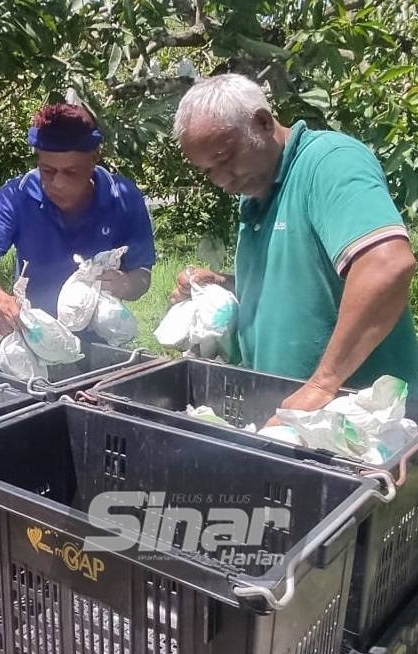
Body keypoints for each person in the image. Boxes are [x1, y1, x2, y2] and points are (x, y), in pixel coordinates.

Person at [171, 73, 418, 415]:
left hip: (363, 427)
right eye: (209, 171)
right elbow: (295, 286)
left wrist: (323, 383)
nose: (223, 180)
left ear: (262, 122)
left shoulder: (330, 162)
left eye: (226, 158)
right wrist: (220, 284)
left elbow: (387, 264)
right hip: (292, 420)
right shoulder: (257, 193)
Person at [0, 102, 156, 336]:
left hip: (99, 336)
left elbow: (142, 274)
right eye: (48, 171)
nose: (59, 183)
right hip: (35, 332)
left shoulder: (123, 197)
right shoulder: (16, 196)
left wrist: (126, 284)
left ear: (94, 159)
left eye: (71, 172)